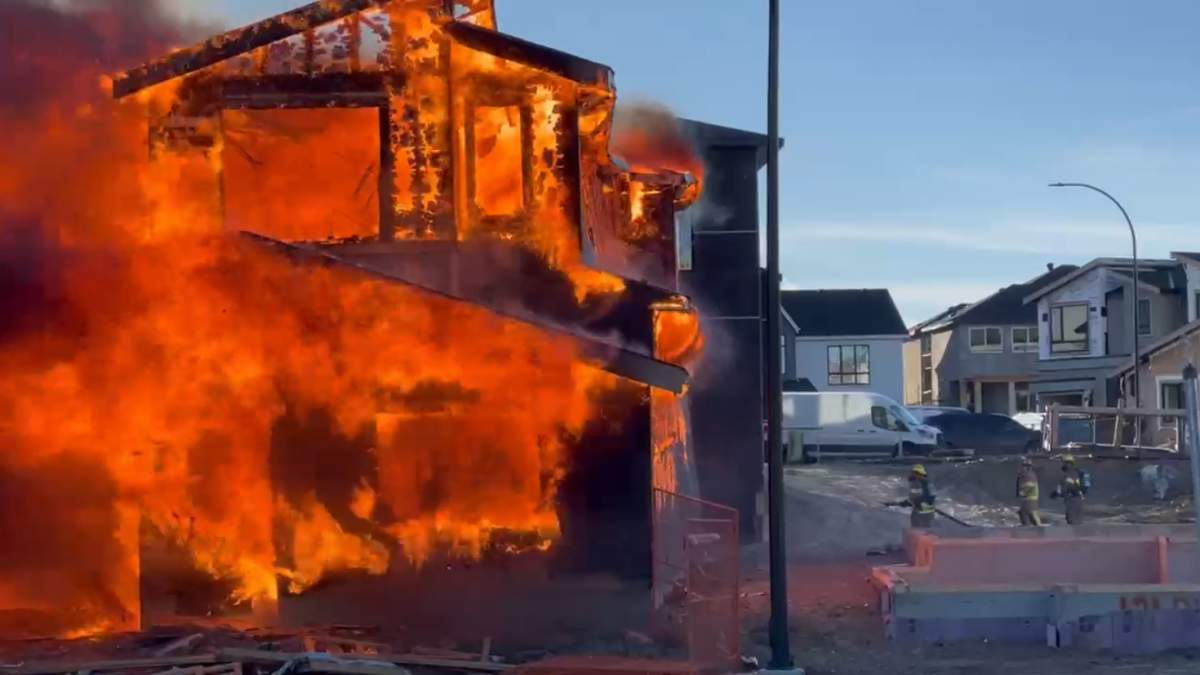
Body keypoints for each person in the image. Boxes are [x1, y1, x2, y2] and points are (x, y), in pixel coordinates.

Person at [1051, 454, 1089, 525]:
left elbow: (1062, 490)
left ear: (1067, 463)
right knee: (1079, 522)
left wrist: (1054, 494)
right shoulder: (1077, 473)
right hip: (1080, 501)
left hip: (1071, 501)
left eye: (1064, 463)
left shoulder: (1066, 475)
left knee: (1071, 521)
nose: (1063, 465)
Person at [904, 464, 937, 528]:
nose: (911, 474)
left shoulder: (915, 484)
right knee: (927, 529)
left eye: (913, 472)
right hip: (929, 513)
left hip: (919, 512)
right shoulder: (928, 483)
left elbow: (914, 498)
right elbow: (932, 497)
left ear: (916, 473)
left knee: (917, 530)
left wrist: (905, 503)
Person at [1015, 457, 1041, 526]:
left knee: (1031, 514)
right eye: (1022, 466)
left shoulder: (1029, 475)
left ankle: (1038, 529)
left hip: (1030, 499)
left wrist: (1022, 493)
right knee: (1023, 514)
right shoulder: (1024, 475)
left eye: (1023, 466)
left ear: (1028, 467)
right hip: (1026, 499)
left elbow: (1029, 486)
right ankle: (1027, 528)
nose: (1021, 468)